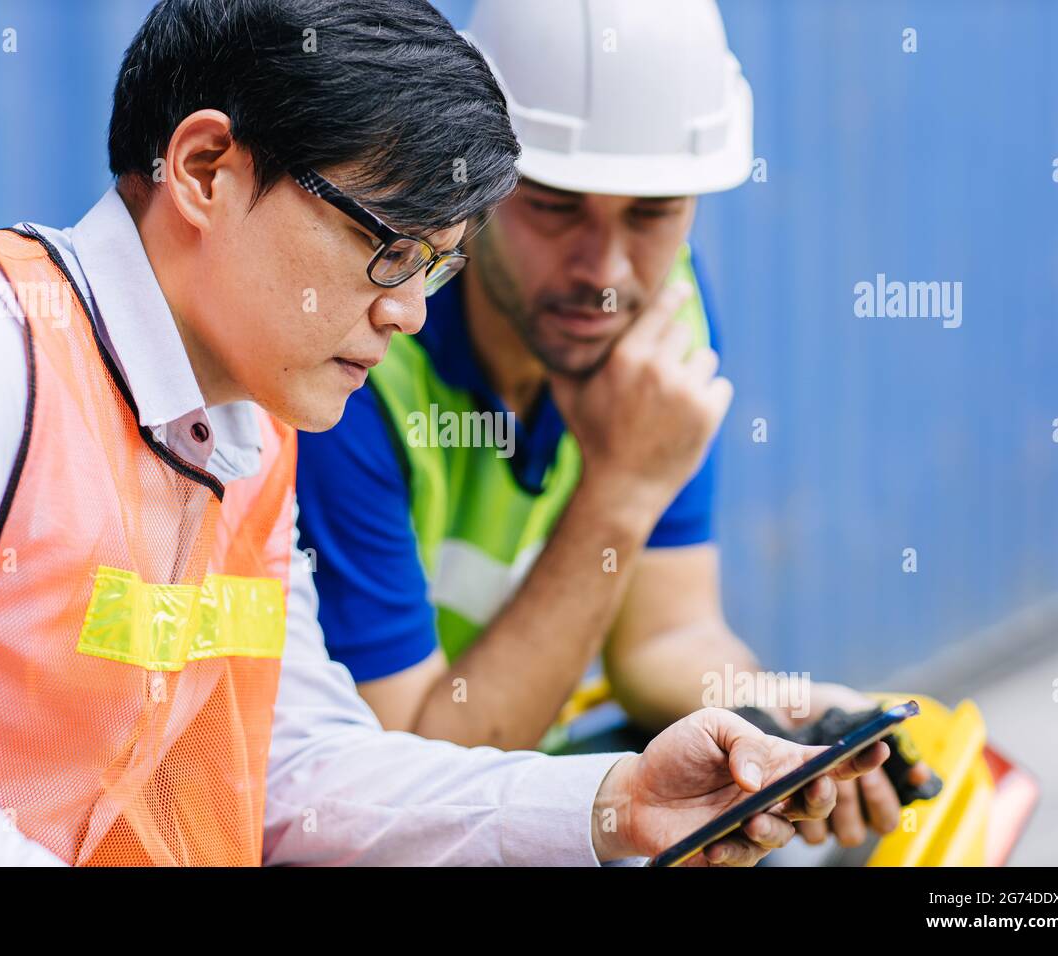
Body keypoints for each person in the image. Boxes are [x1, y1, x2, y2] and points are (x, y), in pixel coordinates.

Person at [0, 0, 887, 867]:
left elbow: (297, 775)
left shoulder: (244, 439)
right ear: (203, 169)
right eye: (386, 247)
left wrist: (612, 804)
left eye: (437, 266)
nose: (409, 310)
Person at [296, 0, 929, 850]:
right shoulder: (360, 358)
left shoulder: (663, 312)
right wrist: (620, 491)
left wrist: (791, 722)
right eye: (555, 208)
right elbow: (412, 778)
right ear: (472, 181)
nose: (606, 273)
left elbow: (665, 639)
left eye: (652, 213)